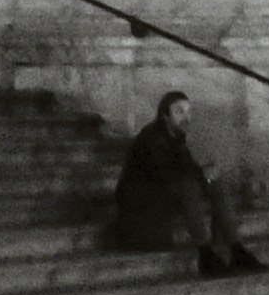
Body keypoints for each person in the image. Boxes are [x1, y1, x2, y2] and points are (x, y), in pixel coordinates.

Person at [109, 91, 260, 274]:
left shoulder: (176, 136)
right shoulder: (153, 138)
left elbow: (185, 168)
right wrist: (201, 174)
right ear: (165, 116)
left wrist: (206, 173)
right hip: (140, 203)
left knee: (216, 183)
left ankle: (236, 249)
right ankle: (205, 254)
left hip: (162, 193)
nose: (186, 117)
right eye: (179, 112)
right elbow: (166, 173)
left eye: (188, 111)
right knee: (189, 187)